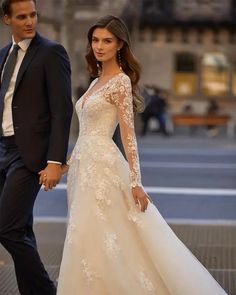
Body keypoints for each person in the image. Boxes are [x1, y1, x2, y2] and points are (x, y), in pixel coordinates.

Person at [57, 15, 227, 295]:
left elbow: (127, 134)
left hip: (104, 169)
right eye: (95, 40)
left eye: (107, 41)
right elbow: (87, 132)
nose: (99, 46)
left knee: (100, 233)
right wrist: (66, 164)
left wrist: (136, 182)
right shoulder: (95, 81)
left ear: (120, 45)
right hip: (82, 169)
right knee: (85, 234)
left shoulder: (120, 82)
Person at [0, 0, 73, 294]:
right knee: (19, 229)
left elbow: (61, 110)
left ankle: (44, 291)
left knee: (6, 228)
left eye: (33, 14)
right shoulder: (3, 55)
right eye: (22, 16)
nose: (30, 21)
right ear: (7, 20)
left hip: (28, 154)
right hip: (2, 148)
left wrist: (55, 160)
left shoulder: (51, 52)